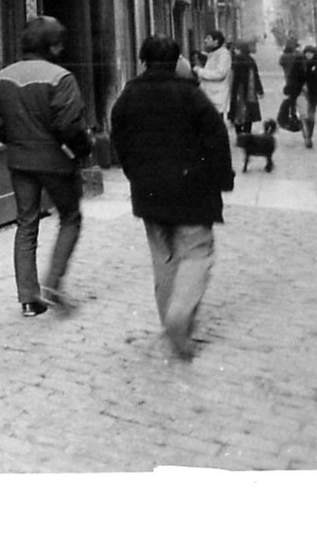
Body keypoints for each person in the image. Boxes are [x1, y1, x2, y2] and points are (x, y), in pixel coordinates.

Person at [110, 35, 233, 361]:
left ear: (143, 60)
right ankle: (180, 316)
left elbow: (118, 137)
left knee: (163, 259)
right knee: (196, 253)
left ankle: (170, 321)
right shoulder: (191, 96)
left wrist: (134, 173)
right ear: (176, 60)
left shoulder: (129, 94)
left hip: (149, 192)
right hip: (192, 191)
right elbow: (217, 141)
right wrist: (222, 181)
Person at [0, 16, 92, 317]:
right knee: (70, 217)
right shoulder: (61, 78)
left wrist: (17, 140)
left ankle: (29, 299)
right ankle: (53, 282)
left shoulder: (5, 76)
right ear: (52, 46)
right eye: (58, 42)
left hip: (20, 160)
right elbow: (69, 126)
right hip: (56, 161)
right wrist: (82, 152)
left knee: (26, 223)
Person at [284, 44, 317, 149]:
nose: (309, 55)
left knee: (311, 116)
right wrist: (289, 88)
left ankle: (309, 134)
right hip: (300, 93)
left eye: (311, 53)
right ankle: (307, 136)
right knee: (304, 115)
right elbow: (292, 77)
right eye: (307, 53)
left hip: (313, 94)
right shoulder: (298, 62)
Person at [226, 42, 263, 135]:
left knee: (237, 111)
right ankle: (247, 131)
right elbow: (256, 76)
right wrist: (259, 89)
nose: (235, 50)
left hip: (238, 89)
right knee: (248, 111)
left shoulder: (236, 59)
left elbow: (233, 76)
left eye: (237, 48)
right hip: (250, 89)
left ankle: (238, 132)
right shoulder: (251, 60)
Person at [196, 30, 232, 125]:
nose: (205, 41)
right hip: (211, 94)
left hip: (217, 95)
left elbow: (220, 73)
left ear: (216, 42)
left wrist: (200, 72)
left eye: (208, 38)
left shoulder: (223, 54)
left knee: (215, 123)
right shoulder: (214, 53)